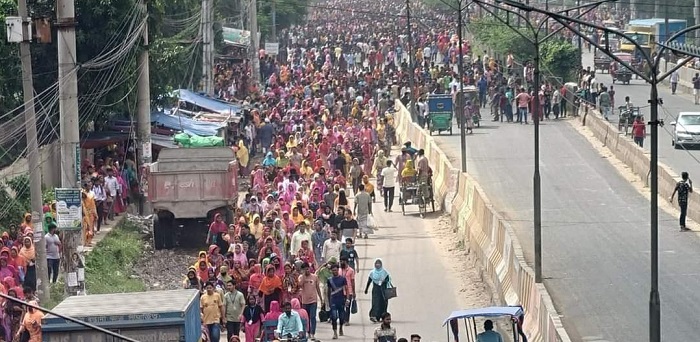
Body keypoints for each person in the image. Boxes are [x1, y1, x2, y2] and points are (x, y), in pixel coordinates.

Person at [298, 262, 323, 339]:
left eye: (308, 269)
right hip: (305, 301)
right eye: (305, 269)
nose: (307, 270)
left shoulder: (315, 277)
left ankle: (312, 333)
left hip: (313, 301)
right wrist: (304, 277)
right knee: (307, 318)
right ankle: (308, 332)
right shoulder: (301, 277)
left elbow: (318, 288)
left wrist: (321, 299)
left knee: (313, 317)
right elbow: (299, 285)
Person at [364, 258, 390, 323]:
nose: (377, 265)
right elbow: (369, 281)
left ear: (381, 265)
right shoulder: (372, 273)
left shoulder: (384, 272)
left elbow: (388, 280)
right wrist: (366, 289)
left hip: (383, 290)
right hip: (376, 290)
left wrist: (384, 281)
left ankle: (383, 316)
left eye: (379, 264)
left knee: (383, 303)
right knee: (375, 303)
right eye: (376, 264)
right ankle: (374, 316)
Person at [327, 263, 348, 339]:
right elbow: (328, 291)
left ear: (338, 270)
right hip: (333, 300)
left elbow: (346, 289)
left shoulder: (343, 279)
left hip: (341, 300)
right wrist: (329, 302)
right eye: (333, 270)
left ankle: (341, 327)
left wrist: (347, 299)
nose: (334, 272)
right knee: (334, 317)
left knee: (342, 317)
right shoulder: (329, 280)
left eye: (335, 270)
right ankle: (335, 332)